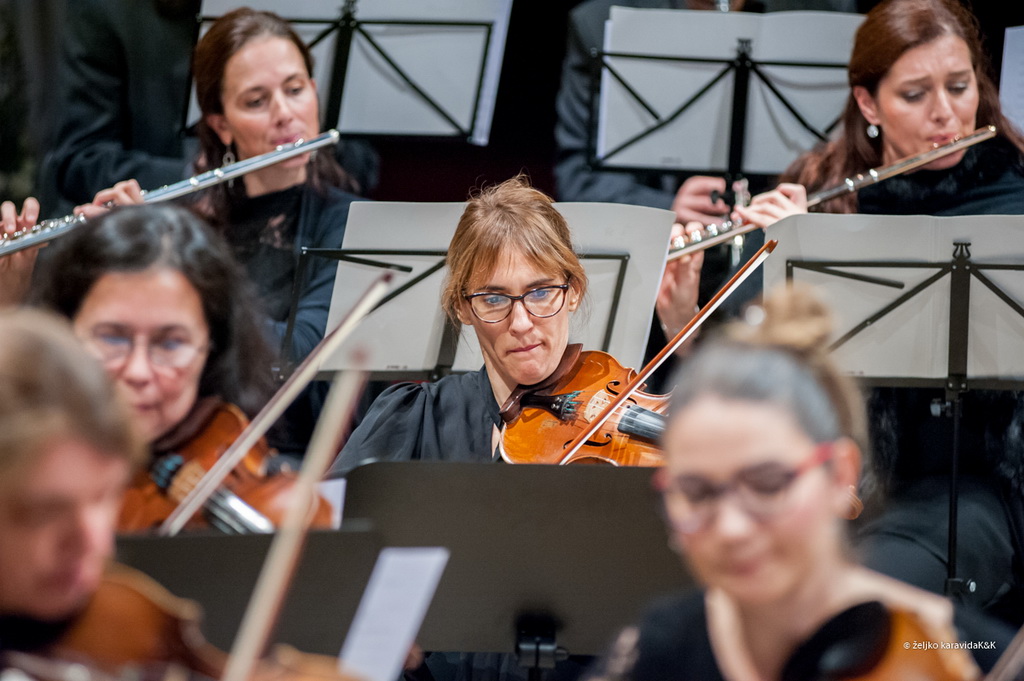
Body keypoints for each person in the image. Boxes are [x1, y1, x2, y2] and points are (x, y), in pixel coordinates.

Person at [720, 0, 1024, 625]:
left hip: (977, 484)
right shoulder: (821, 191)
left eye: (960, 87)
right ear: (868, 105)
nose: (946, 113)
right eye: (915, 94)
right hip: (840, 477)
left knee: (855, 610)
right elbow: (745, 361)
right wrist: (776, 251)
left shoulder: (1016, 195)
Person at [329, 175, 700, 681]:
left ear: (573, 292)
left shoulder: (623, 425)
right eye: (494, 299)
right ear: (464, 306)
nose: (522, 322)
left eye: (541, 292)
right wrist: (379, 627)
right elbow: (319, 549)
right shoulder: (415, 418)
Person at [583, 286, 1014, 681]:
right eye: (696, 493)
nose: (731, 528)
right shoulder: (656, 651)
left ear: (839, 474)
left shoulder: (958, 654)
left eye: (768, 484)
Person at [28, 204, 332, 532]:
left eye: (170, 344)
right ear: (63, 333)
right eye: (112, 338)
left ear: (213, 348)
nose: (139, 372)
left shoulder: (248, 483)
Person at [44, 0, 377, 213]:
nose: (283, 110)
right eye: (257, 100)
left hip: (299, 206)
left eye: (294, 89)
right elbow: (79, 160)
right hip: (169, 221)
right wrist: (205, 178)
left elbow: (361, 159)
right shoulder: (106, 11)